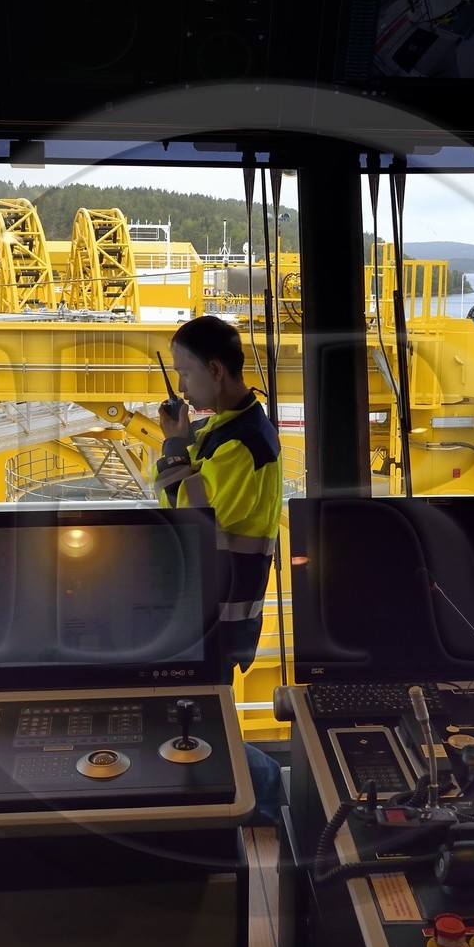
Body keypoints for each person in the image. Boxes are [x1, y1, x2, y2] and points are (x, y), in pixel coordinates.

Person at [153, 314, 284, 824]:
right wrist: (187, 440)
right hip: (216, 609)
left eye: (185, 373)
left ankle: (268, 793)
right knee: (200, 718)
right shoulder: (228, 430)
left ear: (215, 369)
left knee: (204, 725)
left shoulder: (242, 444)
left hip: (221, 616)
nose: (181, 386)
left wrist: (172, 447)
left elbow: (189, 514)